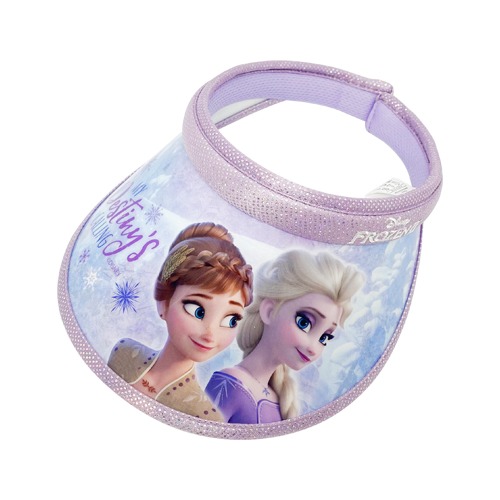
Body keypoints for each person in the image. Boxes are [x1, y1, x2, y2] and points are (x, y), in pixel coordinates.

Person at [108, 222, 253, 421]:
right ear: (164, 303)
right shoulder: (123, 353)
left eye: (230, 320)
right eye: (197, 310)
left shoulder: (203, 415)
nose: (210, 334)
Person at [205, 249, 364, 423]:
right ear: (269, 311)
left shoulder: (277, 398)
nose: (313, 348)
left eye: (324, 337)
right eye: (304, 323)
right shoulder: (230, 385)